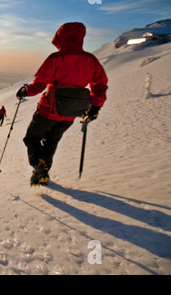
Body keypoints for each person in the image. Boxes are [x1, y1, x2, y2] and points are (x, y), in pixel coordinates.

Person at [16, 22, 108, 186]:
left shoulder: (56, 59)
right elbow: (100, 85)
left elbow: (39, 84)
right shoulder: (90, 60)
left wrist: (24, 92)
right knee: (52, 140)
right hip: (70, 112)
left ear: (60, 37)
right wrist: (95, 106)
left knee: (32, 137)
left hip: (48, 109)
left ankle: (39, 167)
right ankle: (43, 169)